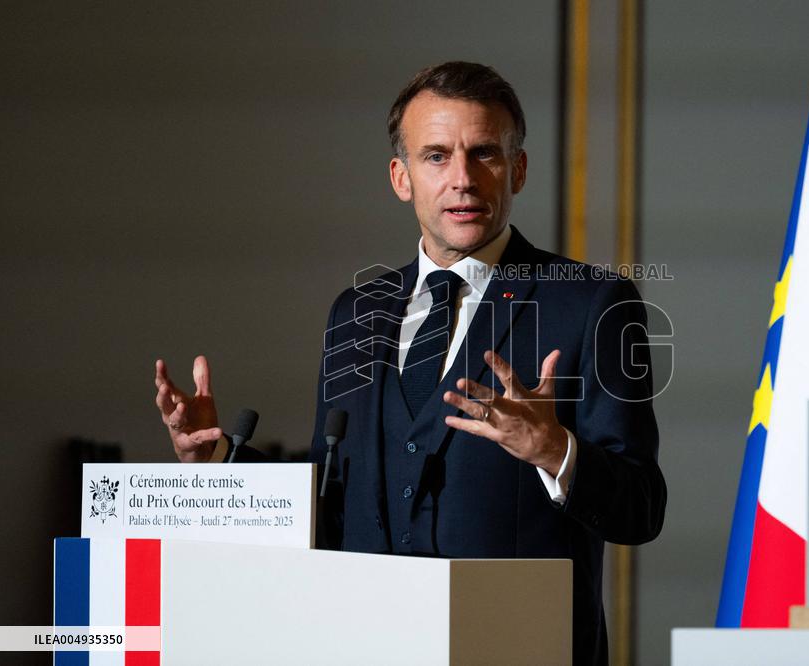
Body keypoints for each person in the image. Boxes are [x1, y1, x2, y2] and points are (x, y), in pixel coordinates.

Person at [154, 61, 666, 665]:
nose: (463, 179)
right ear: (401, 178)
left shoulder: (591, 304)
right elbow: (332, 497)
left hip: (520, 648)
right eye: (436, 157)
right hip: (367, 643)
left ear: (518, 169)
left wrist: (553, 449)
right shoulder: (355, 313)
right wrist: (216, 453)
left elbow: (641, 509)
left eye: (484, 154)